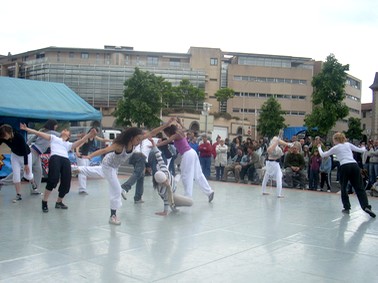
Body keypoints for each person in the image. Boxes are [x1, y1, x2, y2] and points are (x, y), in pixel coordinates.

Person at [77, 120, 175, 225]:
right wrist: (89, 156)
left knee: (99, 173)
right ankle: (113, 216)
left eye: (139, 139)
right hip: (108, 164)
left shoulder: (136, 141)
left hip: (114, 167)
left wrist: (166, 124)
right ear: (131, 137)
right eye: (137, 139)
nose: (139, 141)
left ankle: (76, 169)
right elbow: (104, 151)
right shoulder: (120, 145)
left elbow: (152, 133)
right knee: (117, 190)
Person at [19, 123, 97, 212]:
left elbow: (82, 140)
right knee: (53, 180)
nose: (65, 130)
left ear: (68, 136)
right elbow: (39, 133)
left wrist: (90, 134)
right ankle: (44, 201)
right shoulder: (54, 138)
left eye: (67, 131)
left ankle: (59, 202)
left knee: (66, 182)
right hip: (55, 158)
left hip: (65, 160)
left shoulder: (69, 144)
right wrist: (27, 129)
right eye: (64, 130)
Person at [318, 132, 376, 218]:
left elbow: (323, 154)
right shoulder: (348, 144)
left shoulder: (336, 147)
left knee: (344, 187)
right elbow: (362, 150)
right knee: (359, 187)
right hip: (354, 165)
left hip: (344, 166)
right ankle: (366, 206)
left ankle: (347, 207)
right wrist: (363, 146)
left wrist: (319, 148)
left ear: (336, 140)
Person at [158, 117, 214, 202]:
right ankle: (209, 191)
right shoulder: (180, 132)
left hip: (187, 154)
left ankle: (188, 196)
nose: (166, 135)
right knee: (198, 174)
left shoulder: (175, 135)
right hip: (192, 153)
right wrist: (180, 122)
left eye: (165, 133)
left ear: (168, 132)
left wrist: (156, 145)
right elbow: (185, 129)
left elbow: (167, 141)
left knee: (186, 175)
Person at [0, 119, 60, 193]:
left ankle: (35, 189)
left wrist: (26, 145)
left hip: (37, 153)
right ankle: (3, 182)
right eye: (56, 126)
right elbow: (61, 136)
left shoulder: (42, 130)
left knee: (38, 171)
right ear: (52, 125)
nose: (56, 127)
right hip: (33, 151)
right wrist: (25, 147)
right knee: (23, 170)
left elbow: (32, 138)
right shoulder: (51, 132)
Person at [150, 138, 193, 216]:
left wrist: (153, 144)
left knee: (177, 178)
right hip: (172, 194)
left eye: (166, 179)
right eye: (164, 182)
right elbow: (166, 200)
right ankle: (174, 204)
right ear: (160, 183)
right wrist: (166, 211)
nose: (166, 181)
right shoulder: (161, 189)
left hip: (173, 184)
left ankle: (174, 203)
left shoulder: (164, 169)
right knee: (190, 202)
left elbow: (158, 155)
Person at [0, 124, 37, 202]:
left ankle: (33, 183)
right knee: (16, 175)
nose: (4, 138)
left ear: (9, 132)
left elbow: (24, 150)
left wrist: (26, 164)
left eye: (5, 135)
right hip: (15, 155)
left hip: (26, 155)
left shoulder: (19, 137)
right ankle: (18, 195)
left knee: (27, 175)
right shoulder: (3, 137)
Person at [75, 127, 111, 194]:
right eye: (94, 133)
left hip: (85, 156)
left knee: (84, 170)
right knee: (82, 171)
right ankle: (82, 189)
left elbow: (102, 140)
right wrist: (77, 153)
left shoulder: (94, 137)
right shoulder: (86, 138)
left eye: (96, 133)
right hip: (81, 155)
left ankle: (83, 188)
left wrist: (110, 140)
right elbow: (78, 146)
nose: (95, 135)